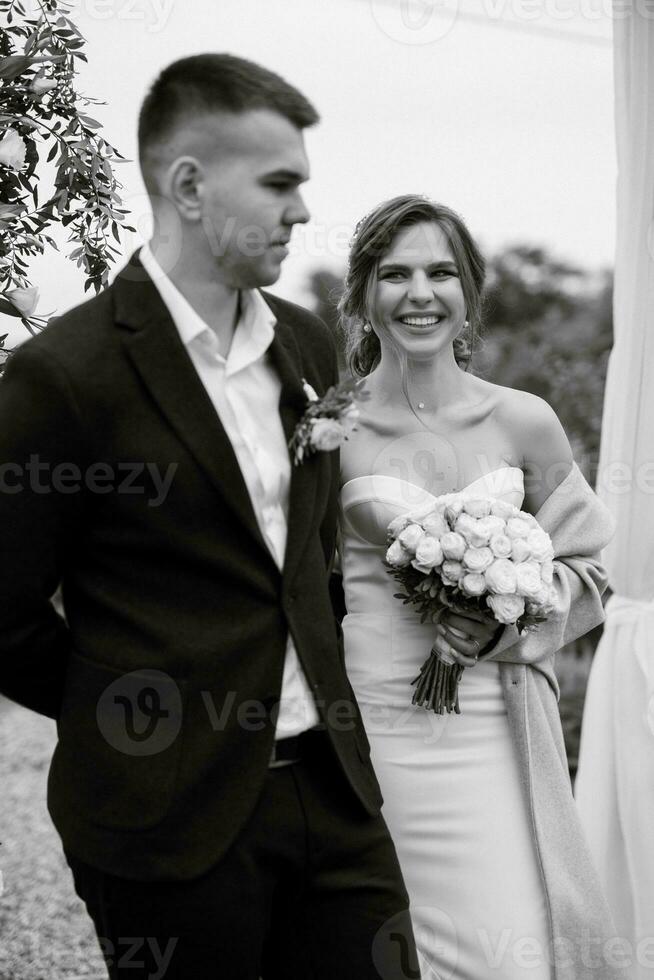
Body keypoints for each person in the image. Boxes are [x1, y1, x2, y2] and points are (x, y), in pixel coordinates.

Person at [0, 57, 418, 979]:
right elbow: (5, 611)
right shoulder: (64, 377)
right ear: (189, 185)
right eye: (279, 184)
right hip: (166, 822)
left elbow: (310, 558)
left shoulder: (307, 344)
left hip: (335, 800)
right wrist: (127, 709)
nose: (303, 211)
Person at [337, 195, 622, 980]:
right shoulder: (330, 429)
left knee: (511, 950)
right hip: (368, 727)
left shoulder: (523, 421)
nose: (418, 293)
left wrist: (506, 627)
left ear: (469, 294)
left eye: (441, 272)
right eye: (394, 274)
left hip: (494, 729)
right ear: (364, 294)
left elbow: (591, 571)